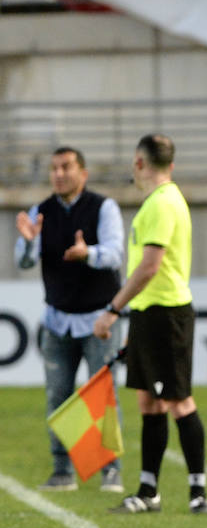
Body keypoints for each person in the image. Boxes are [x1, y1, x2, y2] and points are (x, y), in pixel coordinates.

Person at [93, 134, 207, 516]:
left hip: (166, 312)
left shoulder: (161, 203)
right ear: (171, 164)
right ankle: (149, 491)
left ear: (139, 163)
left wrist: (113, 308)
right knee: (150, 400)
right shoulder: (163, 200)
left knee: (177, 400)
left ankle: (198, 493)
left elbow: (150, 266)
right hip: (150, 313)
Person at [14, 147, 125, 493]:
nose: (59, 174)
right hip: (58, 320)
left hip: (98, 320)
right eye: (54, 168)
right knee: (57, 396)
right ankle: (62, 470)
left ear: (83, 172)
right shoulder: (41, 212)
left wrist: (87, 253)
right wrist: (30, 242)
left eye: (66, 167)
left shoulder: (103, 207)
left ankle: (111, 469)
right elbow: (24, 262)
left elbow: (115, 253)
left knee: (102, 397)